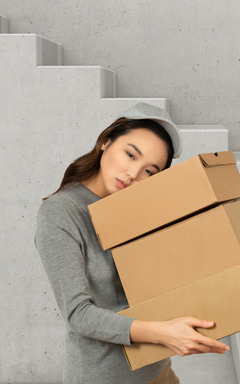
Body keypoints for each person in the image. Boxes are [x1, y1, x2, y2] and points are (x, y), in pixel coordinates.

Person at [35, 102, 230, 384]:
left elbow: (175, 278)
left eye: (149, 171)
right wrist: (164, 333)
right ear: (106, 141)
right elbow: (79, 314)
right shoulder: (61, 213)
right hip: (104, 377)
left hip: (157, 369)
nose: (132, 175)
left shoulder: (138, 208)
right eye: (130, 154)